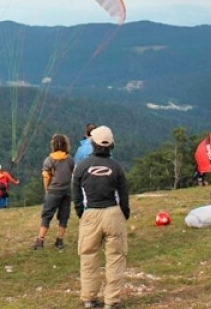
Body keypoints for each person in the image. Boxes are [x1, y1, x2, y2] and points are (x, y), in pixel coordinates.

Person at [72, 125, 130, 309]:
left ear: (93, 143)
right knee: (115, 257)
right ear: (111, 145)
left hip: (90, 213)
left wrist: (82, 212)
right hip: (113, 213)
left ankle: (89, 299)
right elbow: (124, 194)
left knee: (88, 257)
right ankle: (111, 301)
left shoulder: (81, 166)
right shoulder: (117, 167)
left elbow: (76, 193)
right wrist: (124, 214)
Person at [32, 134, 75, 250]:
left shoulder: (49, 160)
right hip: (66, 190)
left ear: (53, 145)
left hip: (53, 191)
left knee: (47, 216)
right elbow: (72, 173)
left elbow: (46, 176)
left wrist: (47, 189)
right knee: (64, 216)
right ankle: (59, 241)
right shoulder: (70, 159)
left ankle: (40, 241)